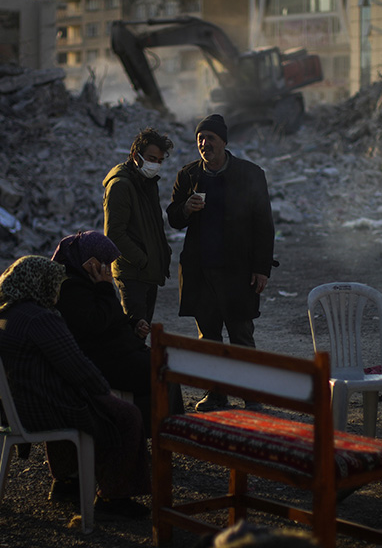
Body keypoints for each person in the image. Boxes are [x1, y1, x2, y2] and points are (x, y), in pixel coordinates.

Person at [0, 255, 150, 519]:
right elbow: (79, 369)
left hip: (20, 405)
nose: (58, 291)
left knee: (92, 402)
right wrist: (105, 394)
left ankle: (67, 481)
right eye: (54, 284)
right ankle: (113, 497)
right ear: (40, 283)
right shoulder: (40, 319)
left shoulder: (4, 314)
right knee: (126, 414)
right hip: (40, 410)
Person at [166, 114, 276, 412]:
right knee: (209, 338)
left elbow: (263, 224)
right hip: (201, 272)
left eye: (210, 139)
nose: (204, 144)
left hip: (238, 271)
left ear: (223, 142)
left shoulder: (249, 174)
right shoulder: (188, 176)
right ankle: (216, 394)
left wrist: (261, 268)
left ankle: (251, 395)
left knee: (241, 334)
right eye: (200, 139)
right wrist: (185, 209)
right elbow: (174, 218)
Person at [51, 230, 182, 432]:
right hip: (101, 361)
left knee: (165, 364)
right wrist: (105, 288)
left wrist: (133, 325)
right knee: (163, 369)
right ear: (89, 260)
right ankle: (158, 430)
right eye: (103, 262)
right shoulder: (71, 289)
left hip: (114, 354)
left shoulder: (87, 282)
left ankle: (165, 427)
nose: (107, 268)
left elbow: (112, 318)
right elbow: (97, 324)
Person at [102, 127, 173, 337]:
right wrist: (143, 260)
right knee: (134, 335)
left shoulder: (146, 182)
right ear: (136, 156)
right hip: (134, 274)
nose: (155, 165)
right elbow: (115, 235)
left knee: (141, 334)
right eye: (152, 158)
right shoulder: (121, 185)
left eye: (160, 160)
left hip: (147, 273)